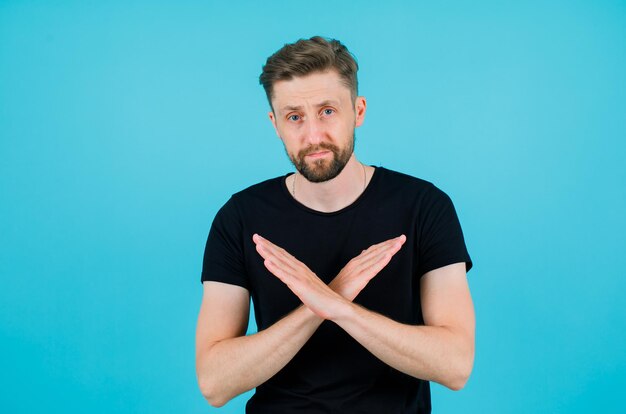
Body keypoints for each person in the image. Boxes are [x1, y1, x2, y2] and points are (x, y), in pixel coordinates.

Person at [195, 36, 475, 414]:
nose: (313, 136)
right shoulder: (240, 218)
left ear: (358, 111)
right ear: (275, 124)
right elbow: (214, 383)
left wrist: (340, 308)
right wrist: (319, 304)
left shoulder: (425, 207)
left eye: (327, 111)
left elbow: (455, 366)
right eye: (294, 117)